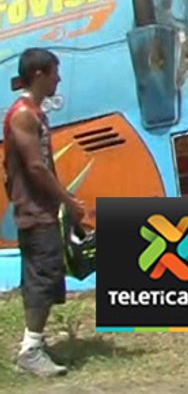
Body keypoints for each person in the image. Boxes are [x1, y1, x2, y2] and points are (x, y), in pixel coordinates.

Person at [3, 48, 85, 378]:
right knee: (43, 279)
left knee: (46, 277)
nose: (59, 78)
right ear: (40, 75)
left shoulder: (35, 113)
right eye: (54, 72)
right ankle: (30, 350)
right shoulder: (23, 114)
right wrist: (69, 200)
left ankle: (33, 343)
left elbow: (45, 167)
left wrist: (63, 201)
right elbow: (36, 168)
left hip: (43, 211)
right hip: (34, 212)